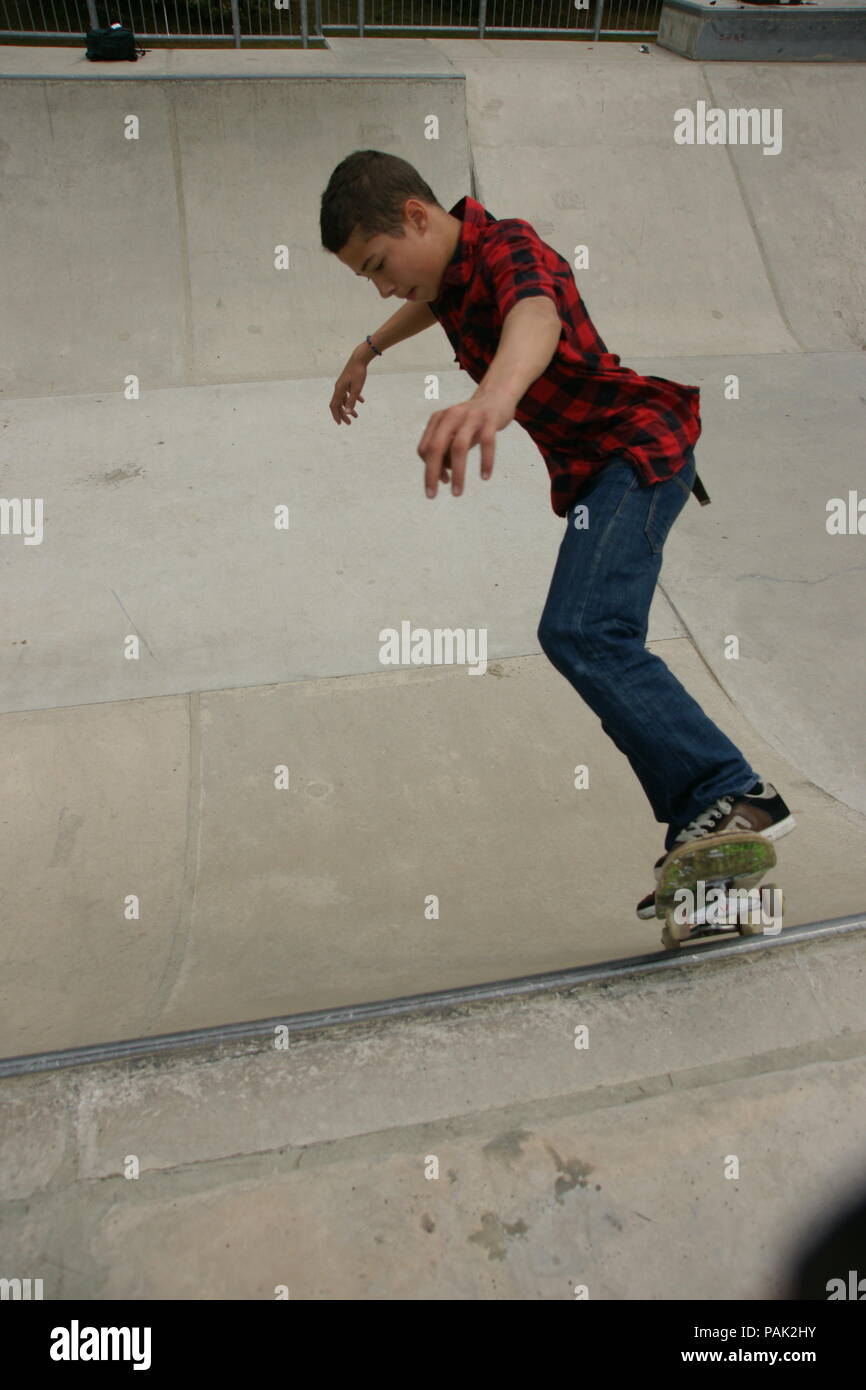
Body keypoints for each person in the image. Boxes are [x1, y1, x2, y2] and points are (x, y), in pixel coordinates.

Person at [321, 150, 796, 917]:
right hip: (599, 473)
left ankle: (735, 792)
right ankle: (703, 836)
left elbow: (533, 316)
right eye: (366, 280)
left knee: (586, 630)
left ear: (417, 215)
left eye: (379, 264)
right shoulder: (443, 275)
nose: (382, 286)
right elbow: (428, 301)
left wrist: (493, 399)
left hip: (638, 450)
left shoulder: (508, 245)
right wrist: (367, 348)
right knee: (577, 638)